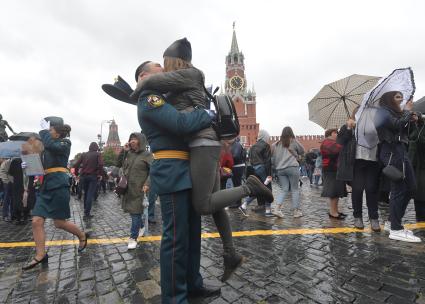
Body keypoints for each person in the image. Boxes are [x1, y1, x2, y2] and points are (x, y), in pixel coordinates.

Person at [133, 39, 272, 282]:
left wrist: (136, 90)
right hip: (202, 148)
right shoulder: (177, 83)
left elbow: (160, 93)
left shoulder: (187, 74)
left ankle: (250, 186)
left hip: (201, 145)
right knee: (214, 206)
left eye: (163, 63)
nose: (163, 69)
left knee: (203, 205)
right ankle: (230, 254)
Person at [135, 61, 219, 303]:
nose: (169, 75)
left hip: (186, 169)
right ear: (144, 76)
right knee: (176, 240)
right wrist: (206, 113)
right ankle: (174, 297)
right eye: (161, 71)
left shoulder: (168, 98)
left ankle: (193, 284)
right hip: (172, 172)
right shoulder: (149, 98)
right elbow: (182, 124)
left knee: (192, 235)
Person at [23, 117, 88, 270]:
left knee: (59, 223)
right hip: (45, 186)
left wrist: (43, 131)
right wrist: (27, 164)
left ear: (58, 134)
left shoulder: (65, 143)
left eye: (50, 130)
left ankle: (82, 236)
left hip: (59, 185)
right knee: (36, 221)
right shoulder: (46, 147)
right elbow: (38, 166)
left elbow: (53, 147)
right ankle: (40, 255)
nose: (47, 132)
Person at [375, 91, 421, 242]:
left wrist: (413, 118)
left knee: (411, 187)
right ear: (389, 99)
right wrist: (406, 111)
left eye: (402, 96)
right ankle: (395, 228)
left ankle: (391, 222)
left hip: (401, 151)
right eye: (397, 97)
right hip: (392, 152)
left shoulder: (396, 113)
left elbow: (405, 131)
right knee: (399, 189)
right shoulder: (382, 112)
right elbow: (396, 126)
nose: (401, 99)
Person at [338, 107, 381, 231]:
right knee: (357, 190)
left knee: (371, 189)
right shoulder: (348, 126)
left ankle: (374, 218)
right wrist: (349, 128)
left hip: (373, 161)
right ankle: (358, 217)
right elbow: (341, 141)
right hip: (357, 161)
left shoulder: (374, 126)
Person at [116, 133, 152, 250]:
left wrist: (147, 184)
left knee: (136, 212)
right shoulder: (129, 154)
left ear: (140, 141)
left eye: (135, 139)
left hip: (139, 189)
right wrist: (124, 151)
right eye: (131, 139)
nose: (132, 141)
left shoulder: (147, 155)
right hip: (128, 188)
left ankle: (133, 237)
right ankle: (141, 226)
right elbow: (119, 164)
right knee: (133, 212)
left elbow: (153, 171)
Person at [271, 126, 305, 218]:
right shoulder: (293, 141)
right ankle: (296, 212)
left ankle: (277, 209)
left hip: (280, 170)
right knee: (295, 189)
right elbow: (302, 150)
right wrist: (297, 156)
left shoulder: (276, 144)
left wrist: (276, 167)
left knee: (284, 189)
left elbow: (273, 159)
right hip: (292, 167)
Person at [240, 130, 274, 216]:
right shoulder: (266, 146)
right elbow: (267, 161)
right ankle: (268, 211)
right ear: (265, 137)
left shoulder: (253, 146)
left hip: (254, 169)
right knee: (267, 189)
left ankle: (244, 205)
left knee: (257, 189)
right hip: (262, 169)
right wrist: (269, 174)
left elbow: (250, 160)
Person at [320, 128, 347, 220]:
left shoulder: (331, 142)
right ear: (330, 134)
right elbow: (338, 150)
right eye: (336, 133)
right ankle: (333, 212)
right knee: (334, 192)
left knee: (337, 192)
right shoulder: (327, 142)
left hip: (334, 169)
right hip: (330, 169)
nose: (337, 135)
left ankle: (335, 211)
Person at [73, 142, 104, 219]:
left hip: (83, 176)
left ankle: (85, 210)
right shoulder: (98, 154)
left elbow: (76, 164)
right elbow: (100, 164)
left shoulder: (84, 154)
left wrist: (77, 173)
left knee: (86, 194)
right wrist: (99, 174)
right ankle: (87, 214)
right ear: (96, 147)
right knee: (90, 194)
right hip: (93, 176)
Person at [408, 110, 425, 222]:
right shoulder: (412, 126)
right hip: (415, 162)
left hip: (422, 162)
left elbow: (420, 140)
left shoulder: (421, 127)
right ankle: (420, 215)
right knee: (418, 190)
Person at [230, 137, 246, 207]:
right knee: (236, 184)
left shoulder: (236, 144)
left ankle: (238, 203)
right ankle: (237, 202)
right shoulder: (234, 144)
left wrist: (228, 157)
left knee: (237, 185)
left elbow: (236, 156)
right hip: (236, 166)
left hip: (238, 166)